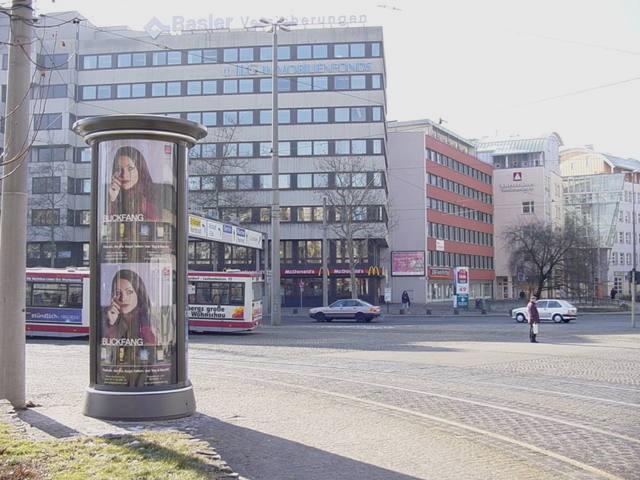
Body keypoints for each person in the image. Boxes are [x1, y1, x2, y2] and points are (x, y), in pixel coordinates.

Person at [104, 269, 157, 344]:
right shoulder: (106, 316)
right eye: (118, 293)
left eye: (129, 292)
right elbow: (107, 348)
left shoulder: (146, 319)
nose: (123, 298)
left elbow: (151, 346)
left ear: (138, 294)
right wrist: (111, 324)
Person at [107, 146, 159, 221]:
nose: (124, 175)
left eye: (130, 168)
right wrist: (112, 199)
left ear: (140, 169)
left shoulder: (149, 200)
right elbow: (106, 226)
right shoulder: (109, 195)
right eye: (119, 169)